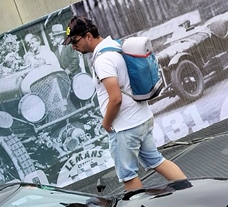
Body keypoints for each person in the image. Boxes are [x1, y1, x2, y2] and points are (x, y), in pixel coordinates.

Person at [62, 16, 187, 191]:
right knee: (157, 161)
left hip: (125, 127)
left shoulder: (103, 60)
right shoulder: (115, 46)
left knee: (128, 175)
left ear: (88, 36)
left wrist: (106, 123)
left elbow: (115, 98)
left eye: (75, 42)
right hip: (141, 118)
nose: (74, 47)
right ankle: (190, 190)